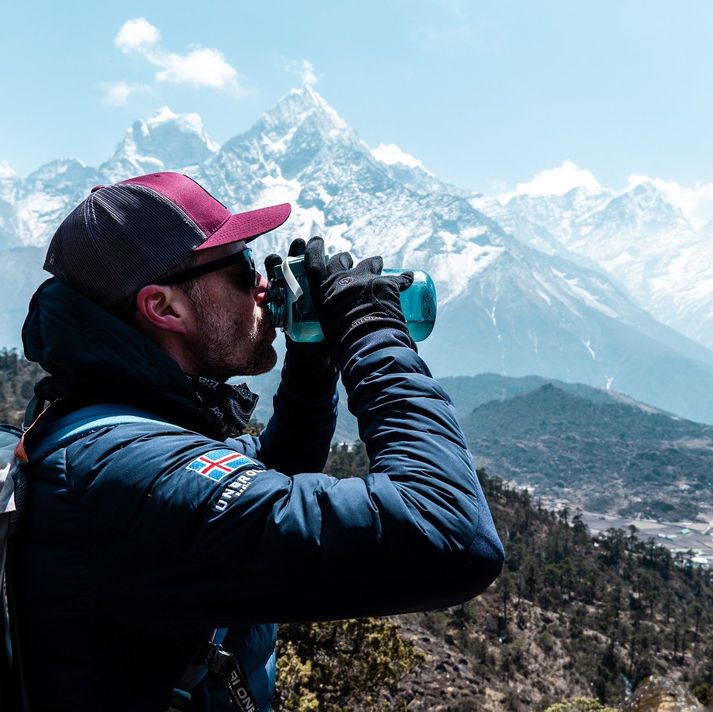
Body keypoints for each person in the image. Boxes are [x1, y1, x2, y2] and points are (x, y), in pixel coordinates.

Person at [10, 171, 504, 711]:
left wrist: (313, 360)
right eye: (243, 270)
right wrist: (373, 334)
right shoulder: (125, 474)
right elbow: (448, 533)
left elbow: (273, 475)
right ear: (164, 308)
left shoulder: (107, 426)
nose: (265, 288)